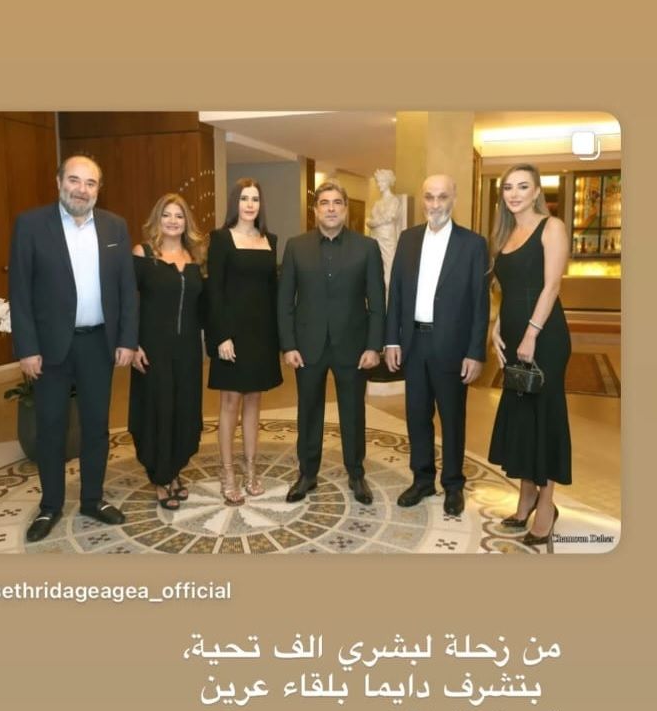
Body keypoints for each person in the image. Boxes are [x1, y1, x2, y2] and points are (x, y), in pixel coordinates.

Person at [8, 154, 138, 542]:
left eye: (90, 183)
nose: (82, 189)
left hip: (99, 343)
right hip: (49, 349)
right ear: (59, 181)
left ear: (99, 189)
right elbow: (20, 291)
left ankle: (92, 500)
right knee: (51, 428)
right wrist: (27, 348)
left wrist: (127, 339)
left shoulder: (115, 226)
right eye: (75, 180)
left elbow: (127, 288)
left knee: (97, 427)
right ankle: (50, 506)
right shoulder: (31, 225)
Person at [384, 174, 488, 516]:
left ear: (453, 198)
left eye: (442, 197)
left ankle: (453, 484)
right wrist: (392, 339)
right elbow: (396, 292)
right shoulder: (408, 239)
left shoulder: (472, 244)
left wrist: (475, 351)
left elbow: (480, 303)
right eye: (429, 197)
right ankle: (423, 479)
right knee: (417, 415)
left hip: (453, 348)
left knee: (452, 419)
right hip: (414, 344)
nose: (435, 204)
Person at [277, 180, 385, 505]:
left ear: (346, 209)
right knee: (308, 411)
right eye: (324, 203)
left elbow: (377, 302)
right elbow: (285, 301)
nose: (331, 208)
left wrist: (374, 346)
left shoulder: (367, 247)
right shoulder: (296, 246)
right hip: (307, 346)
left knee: (353, 413)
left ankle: (356, 474)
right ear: (315, 210)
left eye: (337, 202)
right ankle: (307, 474)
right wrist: (288, 345)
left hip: (353, 347)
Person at [488, 163, 572, 548]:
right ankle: (525, 499)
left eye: (523, 186)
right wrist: (496, 326)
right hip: (513, 334)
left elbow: (551, 286)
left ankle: (546, 507)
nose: (514, 194)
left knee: (544, 417)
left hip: (545, 336)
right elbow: (507, 289)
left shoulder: (551, 227)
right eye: (508, 187)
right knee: (521, 417)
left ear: (537, 191)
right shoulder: (504, 233)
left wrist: (531, 333)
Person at [128, 193, 206, 510]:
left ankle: (174, 471)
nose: (173, 221)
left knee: (183, 409)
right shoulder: (143, 253)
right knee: (158, 410)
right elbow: (126, 300)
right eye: (166, 215)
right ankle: (160, 477)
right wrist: (132, 343)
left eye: (179, 215)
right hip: (152, 348)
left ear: (186, 222)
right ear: (157, 219)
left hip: (188, 349)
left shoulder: (195, 256)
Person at [206, 178, 282, 504]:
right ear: (235, 203)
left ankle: (251, 469)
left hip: (261, 334)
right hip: (232, 335)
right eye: (244, 198)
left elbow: (272, 291)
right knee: (230, 402)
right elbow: (214, 291)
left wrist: (278, 337)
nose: (250, 204)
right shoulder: (221, 239)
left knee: (254, 401)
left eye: (255, 199)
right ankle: (227, 473)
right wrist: (221, 335)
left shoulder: (270, 240)